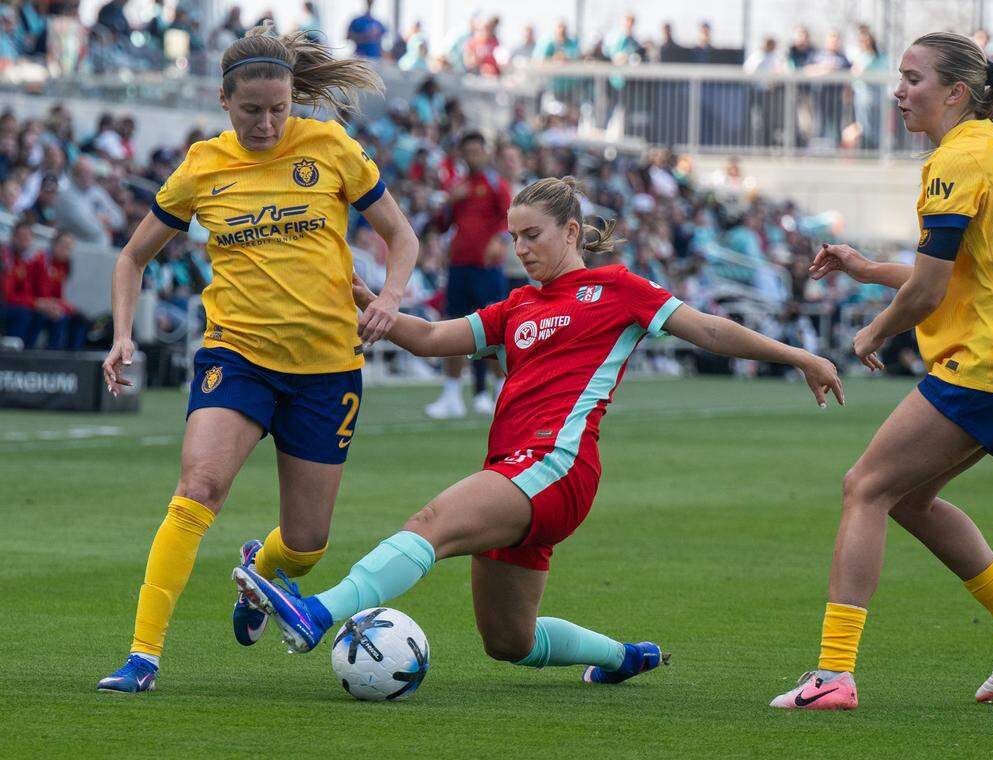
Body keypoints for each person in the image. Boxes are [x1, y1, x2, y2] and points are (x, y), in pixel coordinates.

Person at [230, 175, 843, 687]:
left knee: (430, 526)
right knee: (509, 642)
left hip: (557, 464)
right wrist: (373, 306)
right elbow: (432, 338)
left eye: (532, 235)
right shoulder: (517, 304)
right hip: (519, 475)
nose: (520, 248)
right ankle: (622, 659)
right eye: (513, 237)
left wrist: (801, 357)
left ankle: (316, 613)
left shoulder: (618, 290)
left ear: (571, 233)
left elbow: (709, 330)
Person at [95, 22, 419, 693]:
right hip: (236, 356)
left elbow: (401, 236)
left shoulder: (330, 146)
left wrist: (389, 296)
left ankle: (260, 571)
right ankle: (142, 657)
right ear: (223, 100)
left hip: (328, 369)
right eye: (252, 111)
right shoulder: (202, 167)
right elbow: (131, 257)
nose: (268, 122)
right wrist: (122, 332)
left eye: (280, 109)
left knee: (306, 547)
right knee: (198, 488)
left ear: (294, 98)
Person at [771, 32, 993, 711]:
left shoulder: (955, 158)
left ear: (956, 92)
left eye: (912, 79)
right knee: (905, 498)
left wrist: (874, 329)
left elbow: (932, 291)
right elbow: (963, 275)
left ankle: (834, 676)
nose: (899, 91)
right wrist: (868, 268)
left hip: (992, 360)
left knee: (865, 488)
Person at [424, 130, 512, 419]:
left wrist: (499, 241)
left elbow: (509, 218)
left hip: (487, 269)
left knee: (493, 331)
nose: (473, 156)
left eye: (477, 150)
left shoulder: (496, 184)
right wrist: (449, 200)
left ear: (485, 152)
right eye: (468, 151)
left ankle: (499, 391)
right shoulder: (457, 187)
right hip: (459, 266)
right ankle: (452, 396)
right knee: (452, 326)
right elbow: (440, 224)